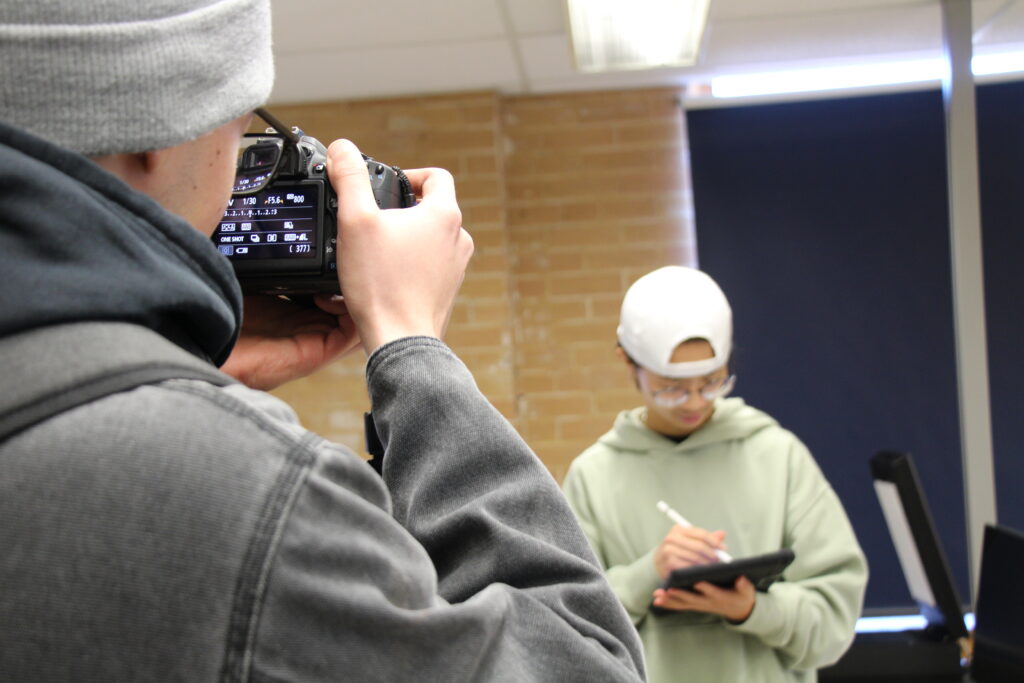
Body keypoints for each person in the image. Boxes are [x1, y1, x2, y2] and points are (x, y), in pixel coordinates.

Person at [0, 2, 646, 680]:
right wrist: (411, 343)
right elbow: (585, 664)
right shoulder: (248, 491)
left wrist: (165, 363)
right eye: (244, 126)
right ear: (156, 131)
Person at [562, 265, 868, 683]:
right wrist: (648, 573)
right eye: (671, 387)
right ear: (627, 362)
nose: (693, 402)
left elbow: (835, 619)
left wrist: (754, 610)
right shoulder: (593, 477)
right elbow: (566, 628)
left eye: (712, 382)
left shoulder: (776, 456)